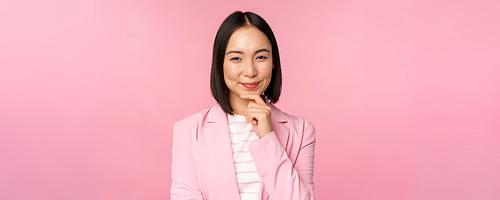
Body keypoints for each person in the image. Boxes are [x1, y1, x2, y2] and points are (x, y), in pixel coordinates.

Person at [171, 11, 316, 200]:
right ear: (220, 63)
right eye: (236, 58)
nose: (250, 71)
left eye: (261, 57)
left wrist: (267, 137)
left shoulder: (302, 131)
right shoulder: (188, 130)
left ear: (273, 62)